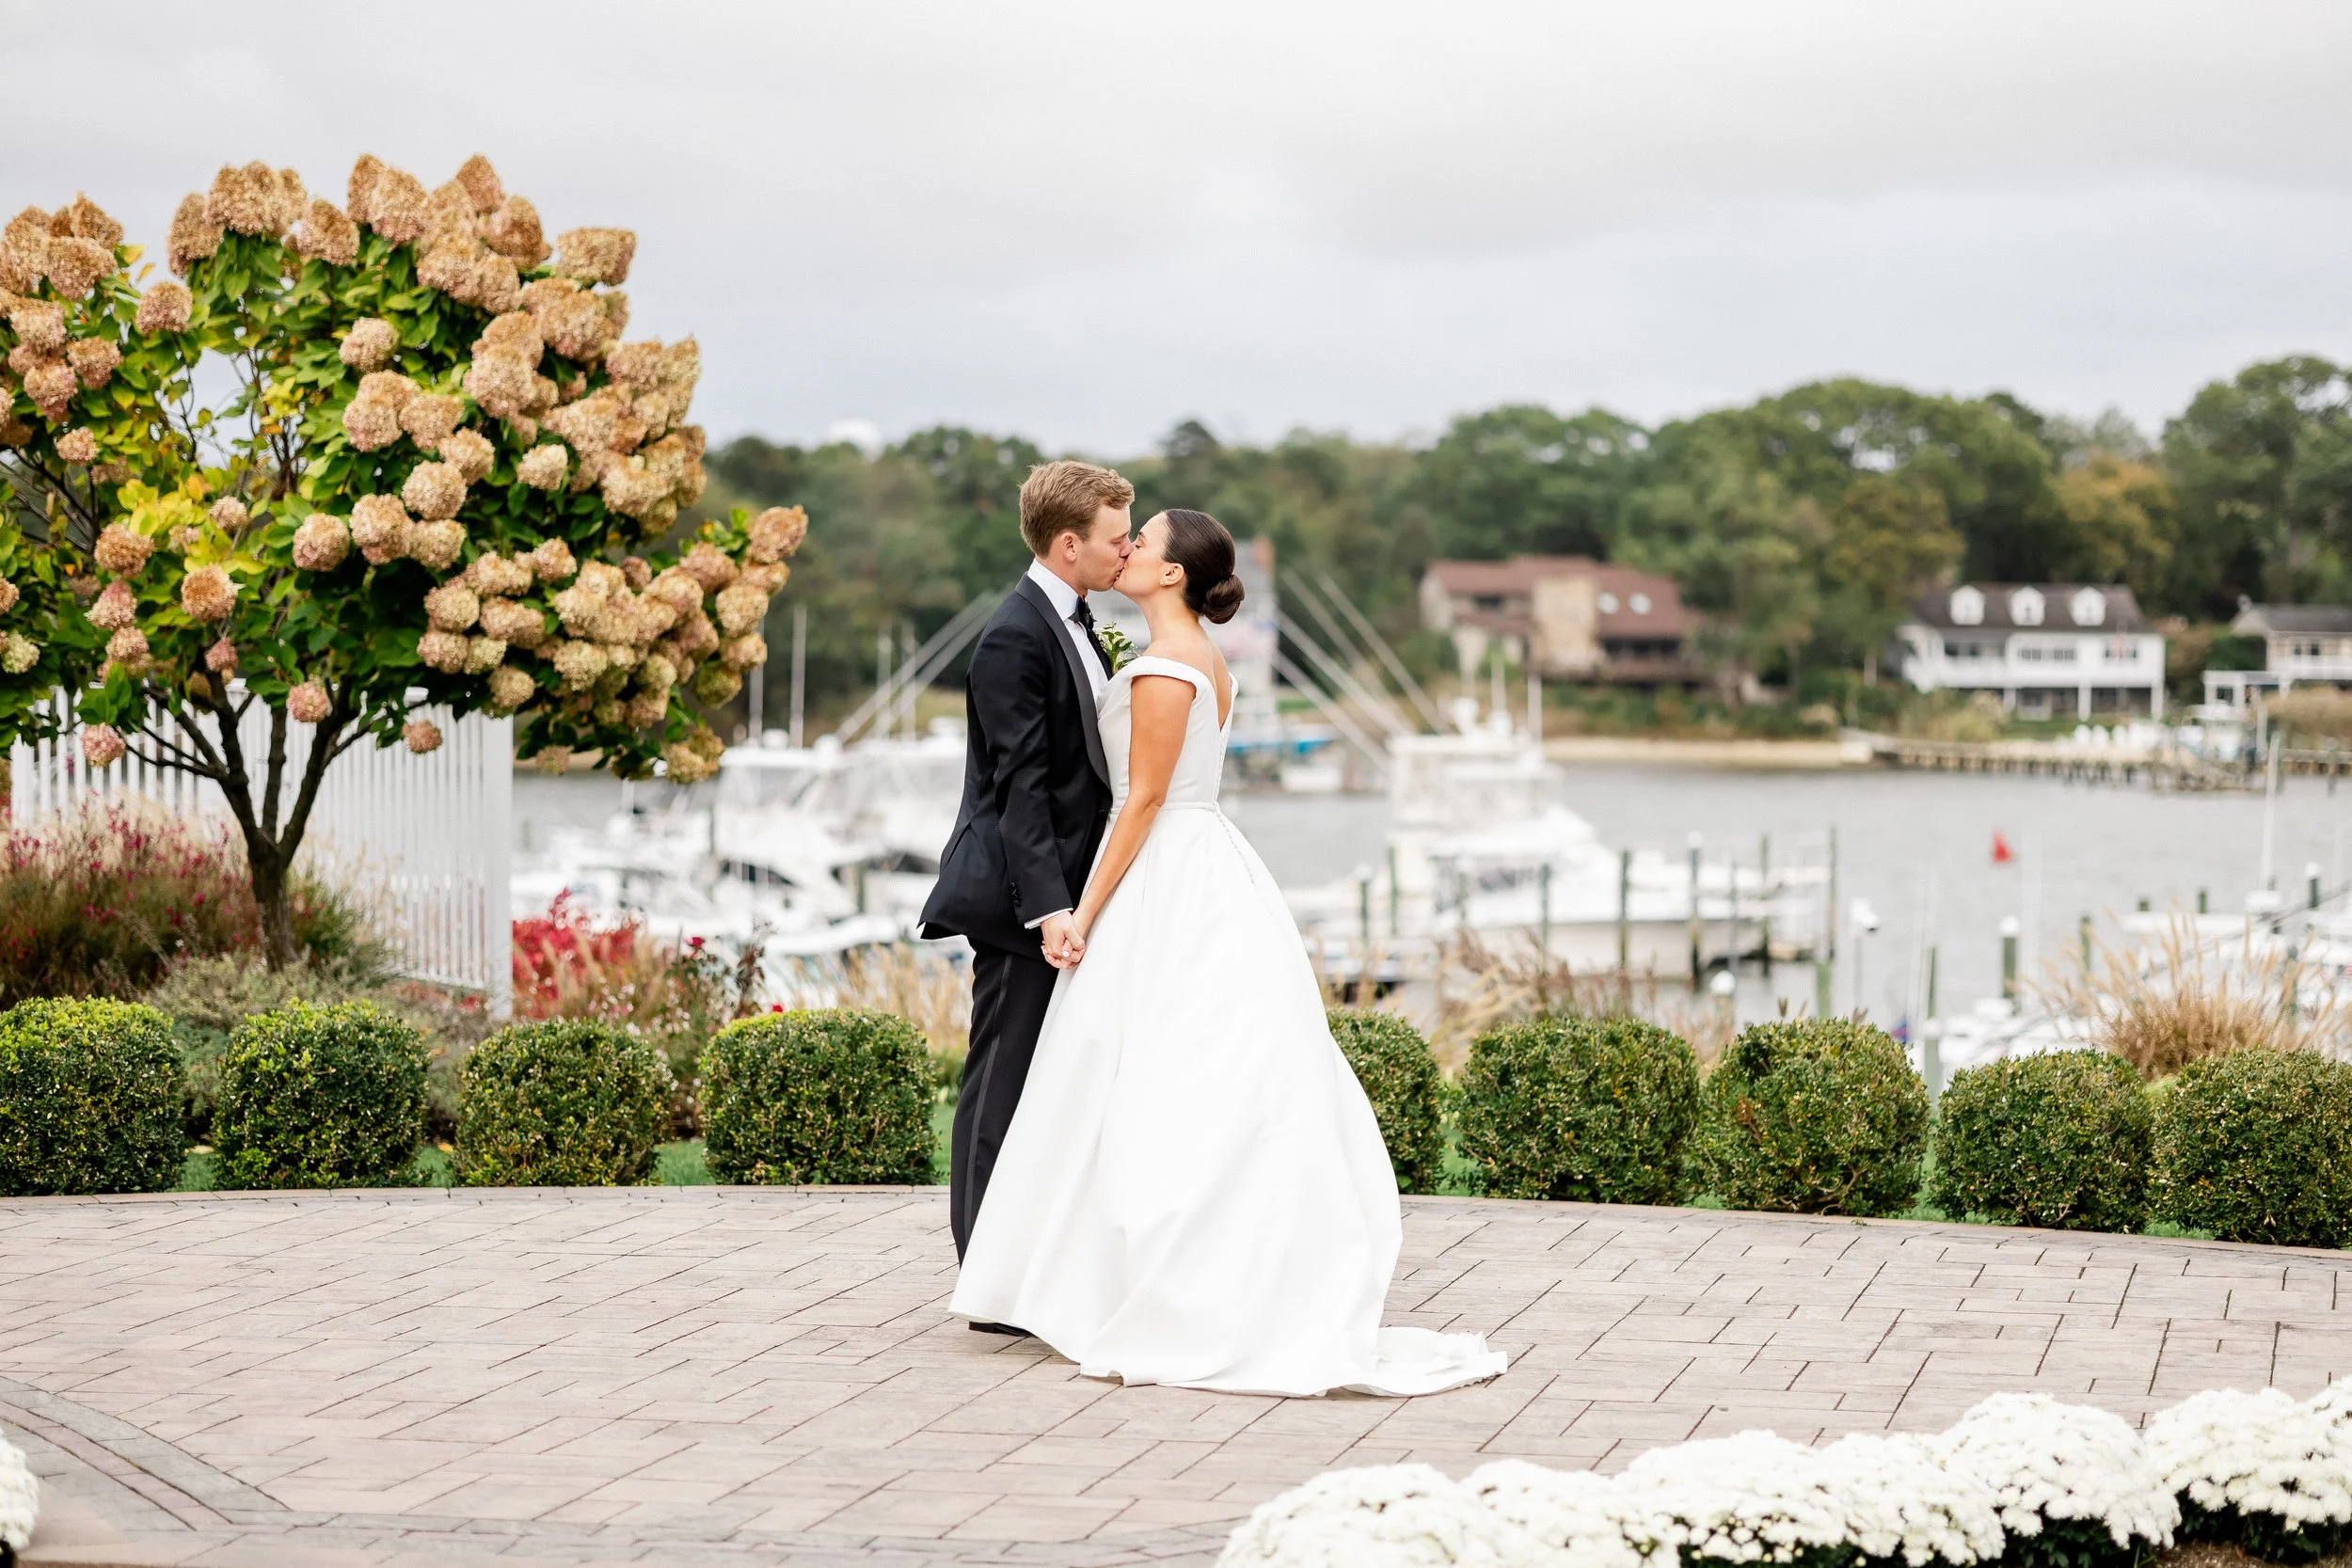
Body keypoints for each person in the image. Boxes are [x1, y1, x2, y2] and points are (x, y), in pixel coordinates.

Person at [950, 507, 1506, 1397]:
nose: (1128, 549)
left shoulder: (1170, 666)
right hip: (1192, 857)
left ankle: (1158, 1272)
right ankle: (1093, 1265)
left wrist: (1082, 910)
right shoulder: (1190, 657)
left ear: (1172, 574)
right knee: (1137, 1065)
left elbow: (1143, 802)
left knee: (1151, 1068)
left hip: (1165, 865)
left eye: (1144, 542)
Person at [919, 460, 1132, 1290]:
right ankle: (985, 1272)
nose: (1125, 552)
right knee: (1000, 1083)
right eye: (1116, 539)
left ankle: (1030, 1258)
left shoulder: (1073, 620)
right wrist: (1050, 910)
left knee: (1045, 1081)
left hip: (1072, 897)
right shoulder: (1015, 635)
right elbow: (1020, 790)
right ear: (1069, 542)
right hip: (1022, 905)